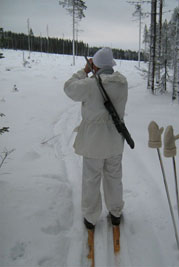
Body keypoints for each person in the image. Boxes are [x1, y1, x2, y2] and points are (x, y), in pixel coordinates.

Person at [64, 47, 128, 230]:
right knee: (114, 178)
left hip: (94, 143)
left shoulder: (90, 85)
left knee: (91, 180)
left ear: (96, 64)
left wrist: (84, 71)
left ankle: (91, 217)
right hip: (115, 141)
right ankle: (115, 213)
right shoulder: (122, 83)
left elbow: (68, 88)